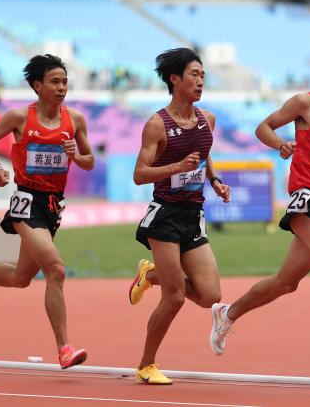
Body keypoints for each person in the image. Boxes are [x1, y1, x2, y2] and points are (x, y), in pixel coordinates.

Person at [209, 30, 310, 378]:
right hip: (307, 199)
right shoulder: (305, 102)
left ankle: (227, 314)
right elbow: (263, 127)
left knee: (286, 282)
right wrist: (280, 145)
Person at [0, 54, 94, 369]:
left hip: (53, 205)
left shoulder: (75, 120)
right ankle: (64, 348)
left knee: (22, 278)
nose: (62, 87)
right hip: (26, 201)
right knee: (56, 269)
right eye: (55, 82)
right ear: (38, 86)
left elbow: (89, 161)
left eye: (64, 81)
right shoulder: (19, 118)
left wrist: (76, 155)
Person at [128, 48, 230, 385]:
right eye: (194, 75)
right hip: (165, 216)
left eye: (203, 75)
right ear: (175, 79)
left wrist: (214, 180)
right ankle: (146, 364)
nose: (201, 81)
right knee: (174, 298)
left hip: (193, 214)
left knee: (210, 296)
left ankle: (150, 275)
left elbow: (204, 155)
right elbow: (140, 174)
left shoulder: (207, 119)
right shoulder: (157, 124)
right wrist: (176, 167)